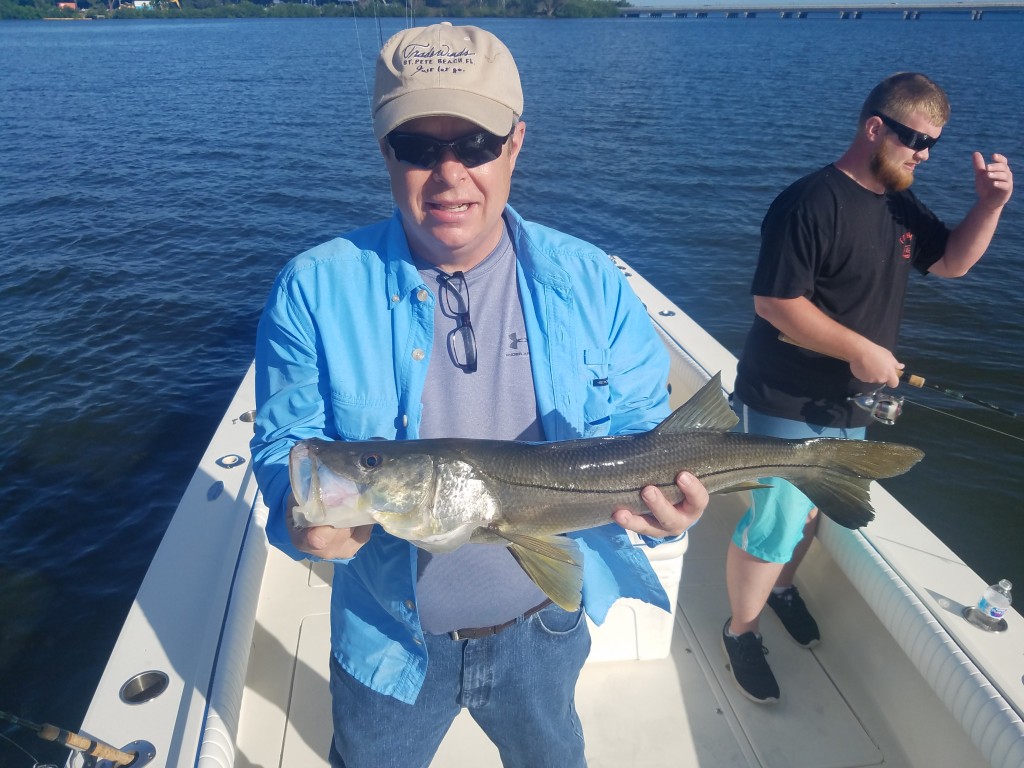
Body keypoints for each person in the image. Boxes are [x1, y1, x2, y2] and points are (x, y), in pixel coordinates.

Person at [250, 22, 710, 768]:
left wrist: (669, 515)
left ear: (516, 143)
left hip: (545, 627)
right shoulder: (313, 288)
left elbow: (640, 429)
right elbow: (287, 448)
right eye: (418, 148)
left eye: (475, 143)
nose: (449, 172)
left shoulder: (591, 280)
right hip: (388, 637)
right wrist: (298, 516)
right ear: (383, 150)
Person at [723, 72, 1014, 704]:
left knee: (810, 517)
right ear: (875, 127)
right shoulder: (808, 202)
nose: (924, 154)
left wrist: (989, 207)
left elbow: (952, 263)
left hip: (848, 402)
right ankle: (740, 631)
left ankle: (780, 589)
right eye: (915, 138)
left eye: (934, 142)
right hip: (784, 399)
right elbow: (775, 303)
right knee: (774, 524)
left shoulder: (898, 203)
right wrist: (862, 350)